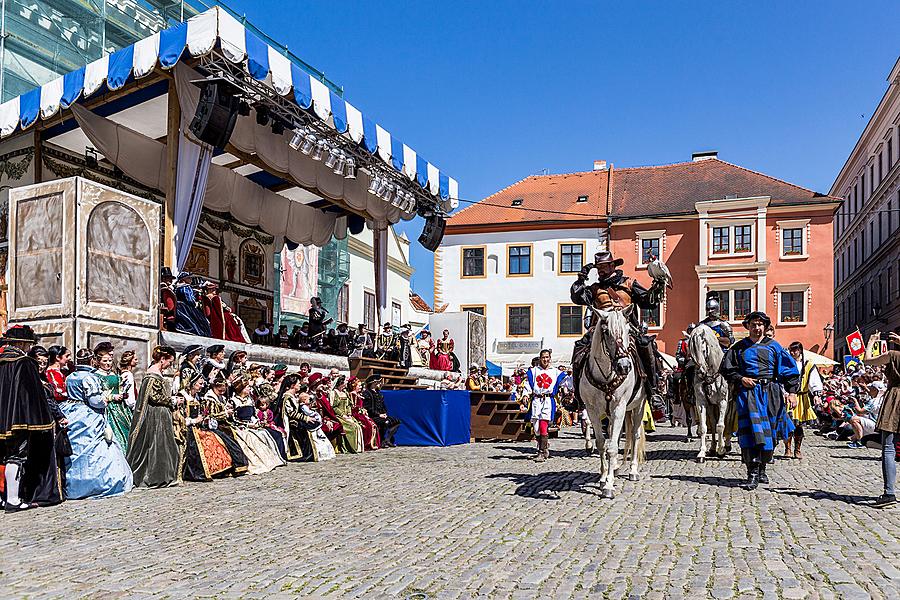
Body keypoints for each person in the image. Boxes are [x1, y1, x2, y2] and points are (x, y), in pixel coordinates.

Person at [569, 250, 665, 402]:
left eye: (603, 266)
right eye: (598, 267)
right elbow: (577, 297)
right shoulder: (594, 289)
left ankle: (653, 392)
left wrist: (657, 287)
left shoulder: (629, 284)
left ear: (612, 266)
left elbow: (648, 302)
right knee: (579, 348)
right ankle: (578, 396)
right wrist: (581, 279)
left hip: (627, 329)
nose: (600, 270)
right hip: (600, 330)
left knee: (647, 346)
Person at [720, 312, 800, 490]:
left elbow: (790, 371)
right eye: (754, 324)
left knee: (769, 432)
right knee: (751, 433)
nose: (757, 328)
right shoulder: (739, 348)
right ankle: (752, 473)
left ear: (765, 327)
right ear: (748, 326)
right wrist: (741, 378)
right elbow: (726, 369)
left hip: (771, 393)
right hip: (748, 394)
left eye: (760, 324)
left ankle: (762, 468)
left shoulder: (774, 347)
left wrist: (792, 392)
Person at [0, 325, 63, 511]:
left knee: (2, 457)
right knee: (16, 456)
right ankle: (13, 499)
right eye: (28, 345)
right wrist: (41, 419)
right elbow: (32, 395)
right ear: (22, 343)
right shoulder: (24, 362)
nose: (29, 348)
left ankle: (3, 498)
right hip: (17, 419)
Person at [62, 349, 133, 499]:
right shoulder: (89, 377)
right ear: (92, 360)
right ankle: (96, 482)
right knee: (96, 447)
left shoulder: (70, 376)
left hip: (70, 411)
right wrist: (106, 399)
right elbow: (95, 401)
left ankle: (72, 482)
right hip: (87, 415)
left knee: (75, 447)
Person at [127, 346, 184, 488]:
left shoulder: (156, 373)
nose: (169, 366)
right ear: (162, 359)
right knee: (157, 445)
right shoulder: (152, 375)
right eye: (169, 362)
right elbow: (154, 396)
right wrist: (173, 400)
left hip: (160, 414)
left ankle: (163, 475)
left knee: (162, 445)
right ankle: (155, 476)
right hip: (156, 415)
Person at [180, 372, 248, 482]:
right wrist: (193, 420)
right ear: (192, 384)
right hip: (187, 428)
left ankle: (223, 467)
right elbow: (179, 418)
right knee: (209, 439)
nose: (202, 386)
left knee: (216, 437)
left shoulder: (197, 397)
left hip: (199, 426)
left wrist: (203, 418)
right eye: (200, 384)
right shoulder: (182, 396)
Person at [863, 331, 900, 508]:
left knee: (889, 448)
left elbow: (867, 360)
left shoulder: (893, 355)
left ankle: (889, 493)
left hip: (896, 399)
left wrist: (871, 342)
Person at [226, 379, 285, 474]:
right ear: (242, 388)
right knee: (250, 437)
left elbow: (254, 414)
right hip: (241, 426)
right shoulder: (233, 401)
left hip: (252, 424)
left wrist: (256, 422)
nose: (249, 388)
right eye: (247, 387)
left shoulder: (250, 400)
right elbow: (233, 419)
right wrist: (248, 425)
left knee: (263, 433)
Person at [522, 349, 568, 462]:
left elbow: (566, 382)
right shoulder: (534, 371)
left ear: (550, 358)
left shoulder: (555, 372)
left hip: (547, 400)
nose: (545, 359)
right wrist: (525, 394)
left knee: (543, 424)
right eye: (543, 357)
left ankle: (541, 452)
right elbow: (528, 384)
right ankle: (544, 446)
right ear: (540, 358)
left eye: (547, 357)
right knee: (536, 428)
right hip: (536, 401)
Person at [785, 341, 822, 459]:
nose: (792, 352)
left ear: (800, 350)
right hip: (788, 397)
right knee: (788, 424)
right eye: (791, 350)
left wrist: (816, 394)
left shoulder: (808, 364)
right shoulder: (786, 363)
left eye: (795, 350)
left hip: (802, 397)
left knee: (799, 426)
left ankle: (797, 449)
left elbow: (814, 380)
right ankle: (788, 448)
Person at [94, 343, 131, 453]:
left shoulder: (114, 374)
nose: (108, 364)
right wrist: (112, 397)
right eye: (105, 361)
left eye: (109, 361)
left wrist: (123, 389)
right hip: (107, 408)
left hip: (121, 409)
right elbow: (97, 394)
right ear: (98, 362)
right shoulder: (96, 375)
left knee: (126, 432)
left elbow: (116, 388)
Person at [362, 374, 402, 447]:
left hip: (381, 415)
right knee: (385, 423)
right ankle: (382, 441)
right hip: (372, 416)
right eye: (379, 382)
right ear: (374, 383)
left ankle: (387, 440)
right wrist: (378, 415)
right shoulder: (367, 393)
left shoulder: (379, 393)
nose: (380, 384)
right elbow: (368, 408)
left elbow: (383, 405)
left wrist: (384, 413)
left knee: (397, 422)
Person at [330, 376, 365, 453]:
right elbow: (334, 407)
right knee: (352, 427)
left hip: (347, 415)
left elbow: (349, 405)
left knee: (358, 426)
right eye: (345, 381)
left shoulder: (345, 393)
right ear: (341, 382)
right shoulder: (334, 393)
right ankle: (350, 447)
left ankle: (358, 447)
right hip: (339, 416)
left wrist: (349, 413)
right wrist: (343, 415)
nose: (347, 383)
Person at [174, 271, 212, 337]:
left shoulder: (177, 288)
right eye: (188, 278)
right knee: (199, 320)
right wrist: (195, 303)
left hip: (180, 307)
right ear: (183, 280)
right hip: (185, 307)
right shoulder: (185, 287)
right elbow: (189, 300)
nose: (190, 280)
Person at [349, 376, 380, 450]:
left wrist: (363, 410)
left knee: (373, 424)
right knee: (367, 425)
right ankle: (367, 443)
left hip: (361, 413)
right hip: (356, 414)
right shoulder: (353, 394)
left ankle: (372, 443)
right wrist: (360, 409)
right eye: (359, 386)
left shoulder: (359, 395)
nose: (360, 387)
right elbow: (353, 406)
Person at [159, 267, 178, 332]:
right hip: (169, 312)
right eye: (168, 278)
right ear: (163, 278)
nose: (171, 280)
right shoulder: (164, 289)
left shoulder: (167, 289)